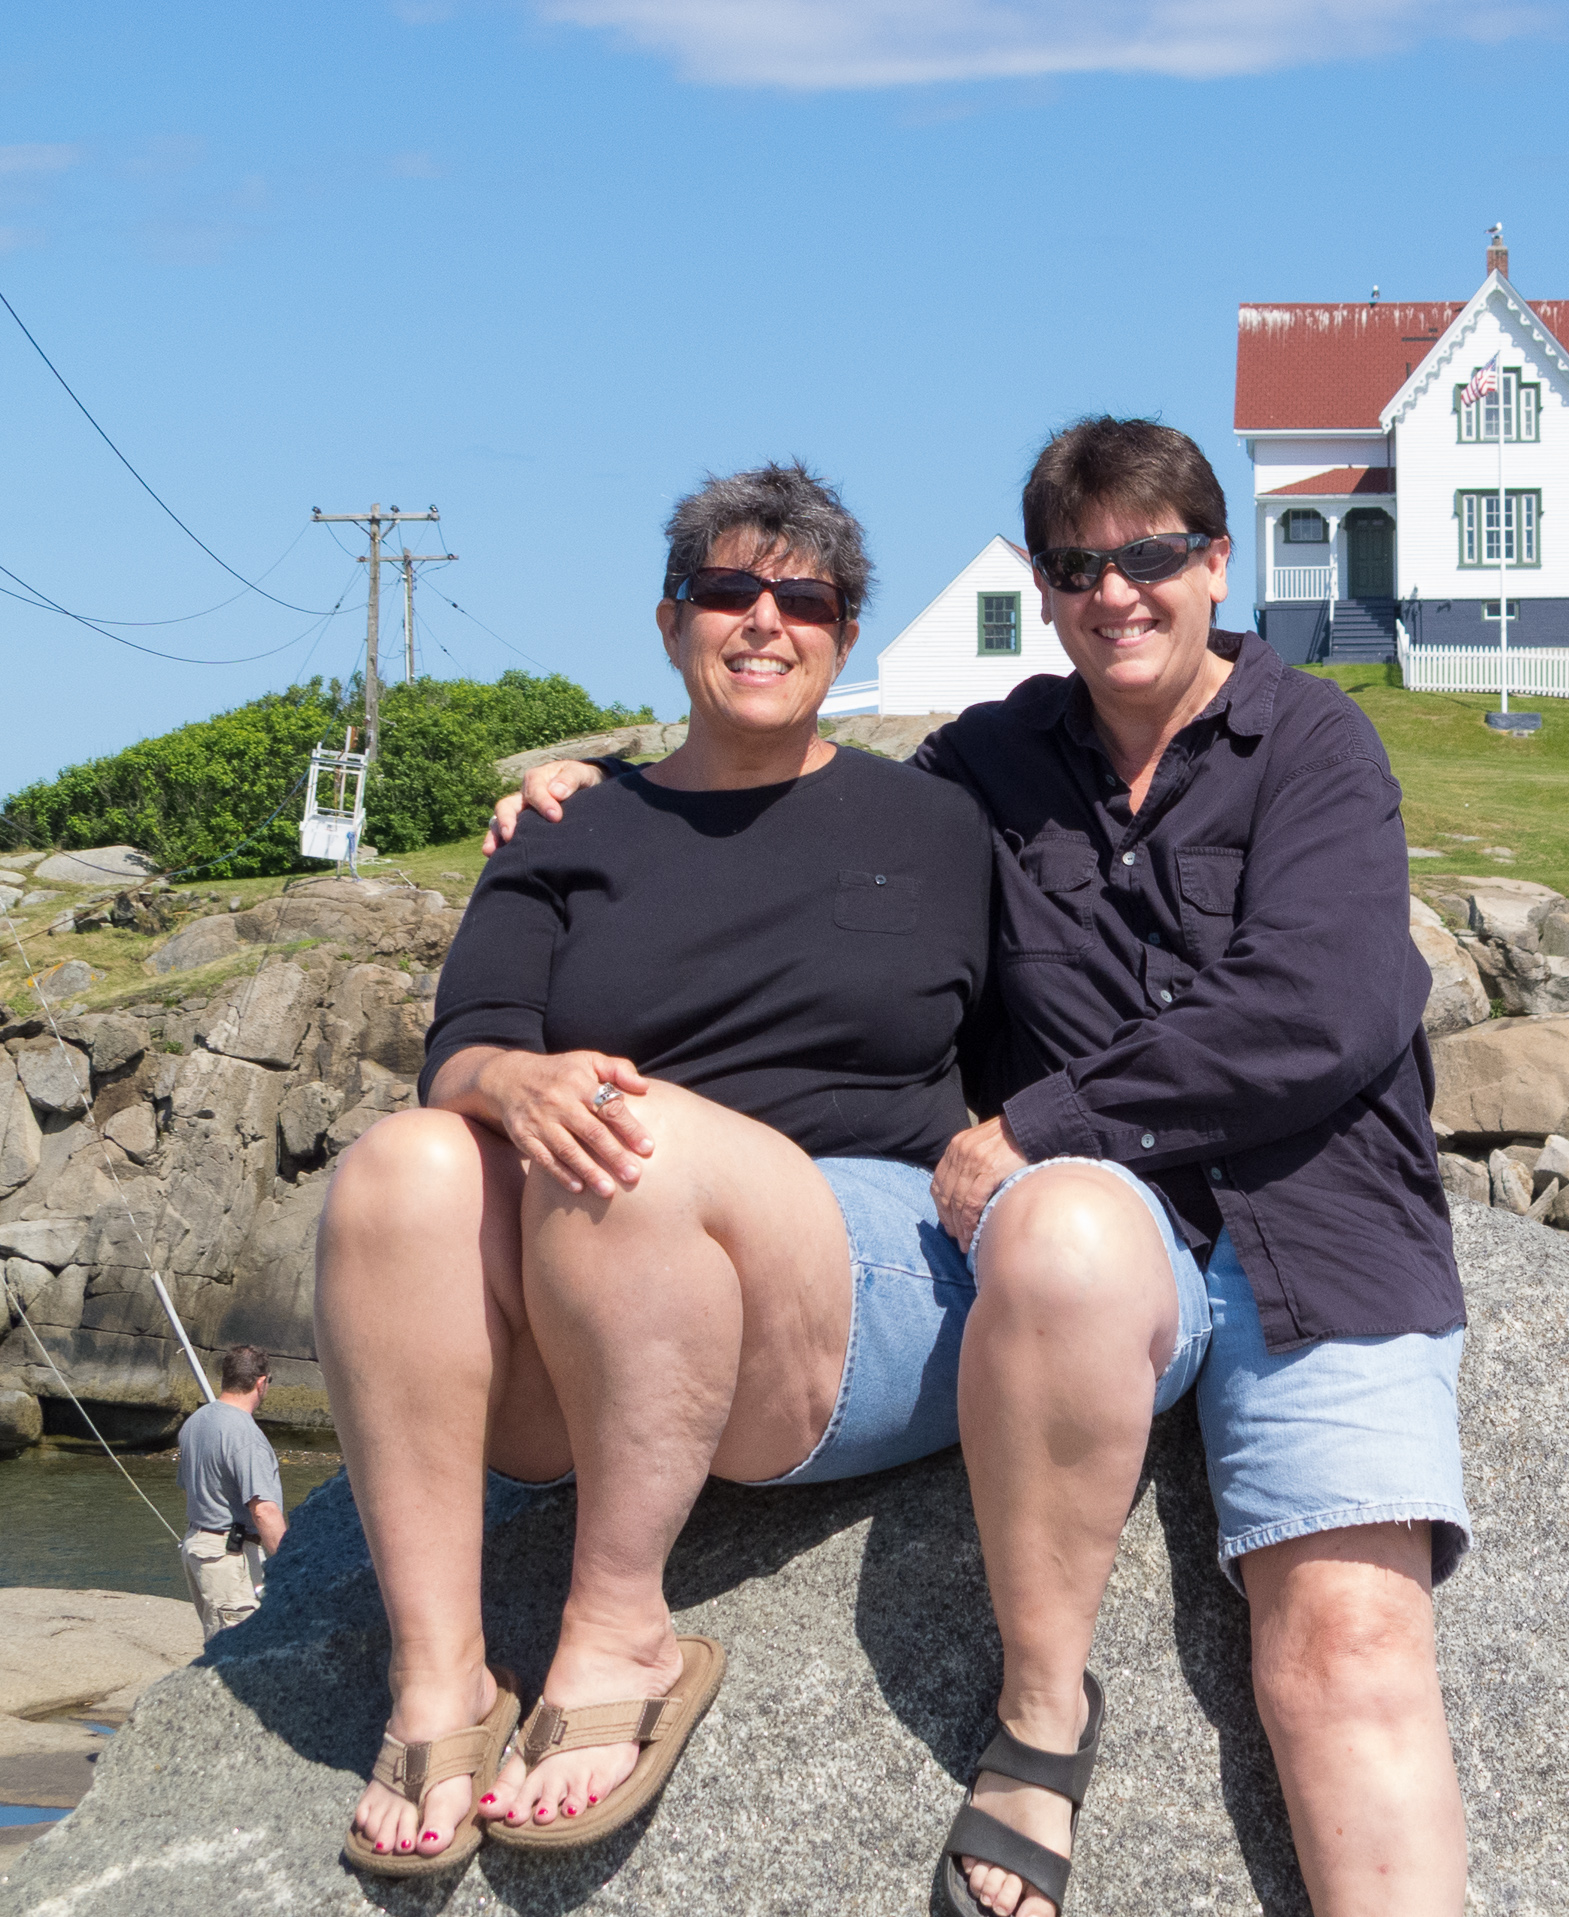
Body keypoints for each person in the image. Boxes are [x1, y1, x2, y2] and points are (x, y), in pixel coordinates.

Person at [497, 419, 1472, 1917]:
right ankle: (1038, 1724)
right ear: (1046, 583)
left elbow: (1322, 1010)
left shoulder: (1317, 745)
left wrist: (1038, 1123)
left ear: (1215, 564)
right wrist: (587, 804)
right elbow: (786, 784)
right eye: (1079, 564)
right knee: (1068, 1233)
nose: (1116, 592)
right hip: (1095, 1245)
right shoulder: (989, 763)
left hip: (1316, 1231)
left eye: (1152, 555)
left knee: (1347, 1648)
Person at [316, 461, 1039, 1876]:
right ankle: (440, 1680)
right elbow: (461, 1045)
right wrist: (510, 1081)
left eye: (804, 599)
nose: (763, 620)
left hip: (844, 1262)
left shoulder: (941, 823)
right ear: (670, 623)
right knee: (401, 1168)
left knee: (629, 1141)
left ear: (843, 634)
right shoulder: (570, 823)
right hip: (599, 1305)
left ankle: (619, 1634)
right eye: (727, 589)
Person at [175, 1344, 287, 1640]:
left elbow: (188, 1491)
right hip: (228, 1557)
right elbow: (264, 1510)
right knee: (241, 1652)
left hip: (198, 1549)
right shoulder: (246, 1434)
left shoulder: (194, 1423)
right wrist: (289, 1563)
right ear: (261, 1382)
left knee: (218, 1645)